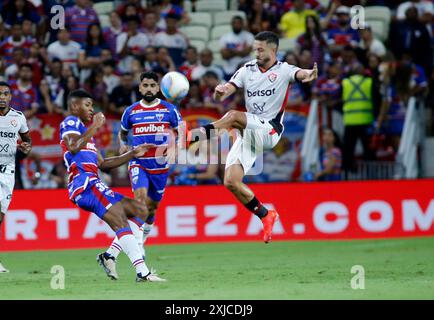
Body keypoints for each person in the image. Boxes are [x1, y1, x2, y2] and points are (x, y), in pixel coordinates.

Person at [187, 31, 318, 243]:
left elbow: (300, 74)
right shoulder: (247, 69)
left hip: (269, 131)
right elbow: (228, 89)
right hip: (249, 133)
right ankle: (266, 215)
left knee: (233, 116)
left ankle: (199, 135)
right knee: (230, 181)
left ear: (272, 49)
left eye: (260, 49)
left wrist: (308, 75)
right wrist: (220, 92)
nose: (256, 53)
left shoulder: (284, 70)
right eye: (255, 49)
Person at [59, 89, 165, 282]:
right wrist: (96, 126)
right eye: (87, 105)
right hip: (85, 185)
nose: (92, 110)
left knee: (141, 210)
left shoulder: (87, 136)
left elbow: (103, 164)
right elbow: (73, 147)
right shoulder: (70, 122)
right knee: (120, 221)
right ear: (75, 106)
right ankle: (143, 273)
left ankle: (109, 256)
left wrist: (133, 153)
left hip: (94, 183)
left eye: (92, 105)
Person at [100, 71, 183, 278]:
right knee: (139, 204)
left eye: (152, 85)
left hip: (160, 168)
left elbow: (180, 132)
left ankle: (125, 248)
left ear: (159, 88)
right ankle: (129, 258)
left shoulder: (169, 110)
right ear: (139, 88)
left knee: (151, 210)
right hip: (139, 165)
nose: (148, 89)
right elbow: (122, 132)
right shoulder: (131, 111)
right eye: (145, 85)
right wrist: (123, 146)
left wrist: (176, 148)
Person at [0, 81, 32, 273]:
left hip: (9, 172)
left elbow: (27, 141)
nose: (2, 97)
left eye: (5, 94)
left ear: (10, 97)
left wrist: (25, 148)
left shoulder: (18, 117)